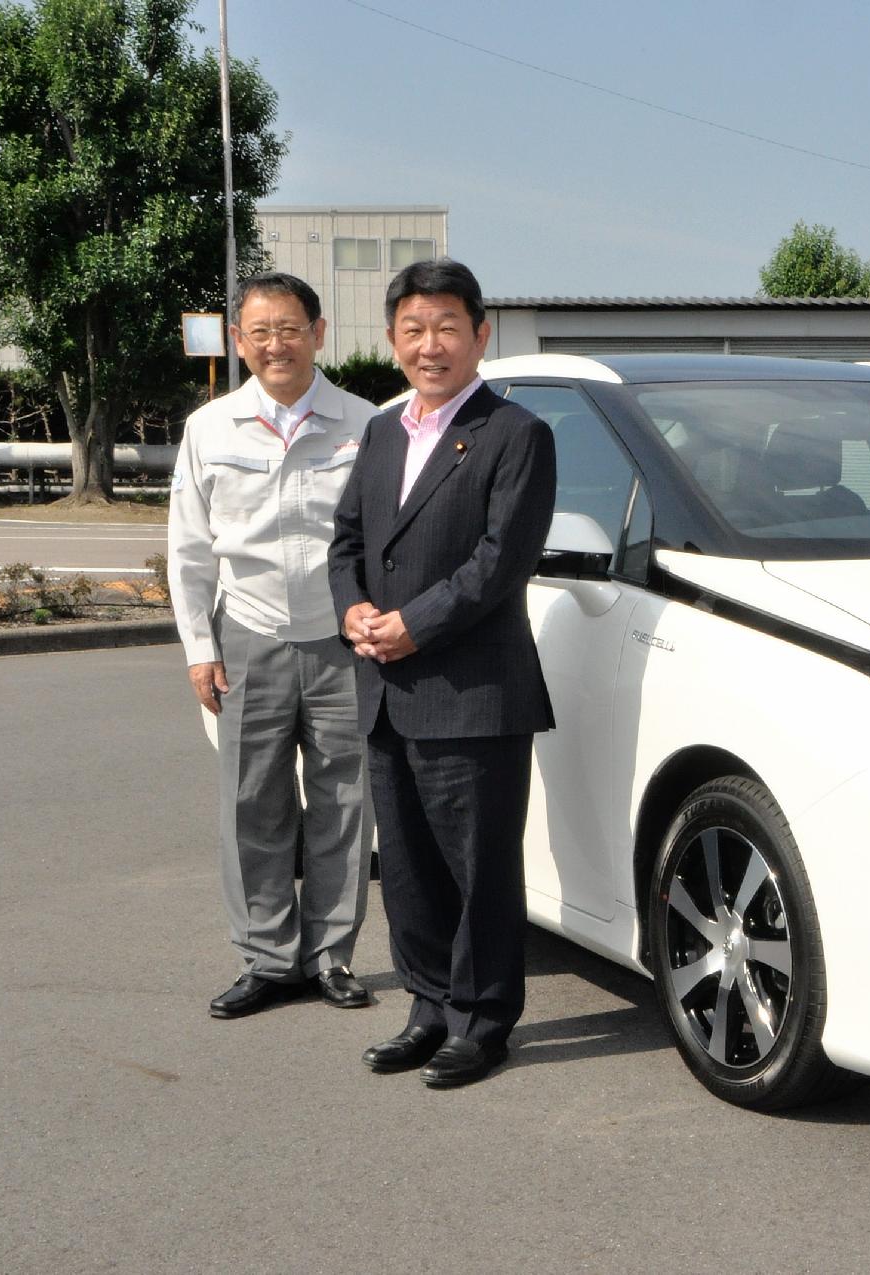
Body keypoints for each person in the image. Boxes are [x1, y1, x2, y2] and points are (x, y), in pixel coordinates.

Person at [328, 258, 557, 1089]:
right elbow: (347, 539)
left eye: (448, 328)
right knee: (412, 868)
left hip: (474, 694)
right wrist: (352, 607)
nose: (432, 346)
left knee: (480, 868)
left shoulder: (516, 434)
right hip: (388, 691)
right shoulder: (386, 431)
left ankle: (483, 1019)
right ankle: (427, 1007)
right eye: (414, 330)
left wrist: (410, 627)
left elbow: (501, 562)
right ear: (393, 340)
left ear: (480, 334)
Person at [168, 271, 377, 1018]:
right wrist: (199, 644)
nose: (275, 344)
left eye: (290, 328)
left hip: (339, 636)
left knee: (343, 801)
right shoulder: (211, 429)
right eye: (259, 332)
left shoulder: (364, 424)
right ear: (238, 342)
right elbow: (189, 549)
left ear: (319, 333)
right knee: (251, 801)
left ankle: (330, 956)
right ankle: (266, 958)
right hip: (249, 632)